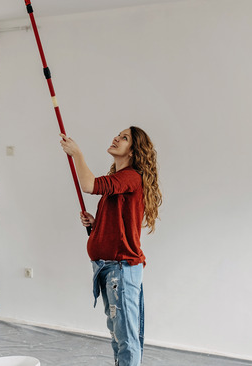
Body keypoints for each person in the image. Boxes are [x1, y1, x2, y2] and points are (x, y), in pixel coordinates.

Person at [59, 126, 162, 366]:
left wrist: (77, 154)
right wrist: (97, 225)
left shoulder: (131, 177)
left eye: (124, 138)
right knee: (119, 337)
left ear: (134, 152)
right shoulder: (121, 180)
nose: (117, 138)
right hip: (111, 269)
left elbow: (89, 185)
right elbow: (119, 224)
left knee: (126, 339)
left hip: (121, 269)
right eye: (119, 134)